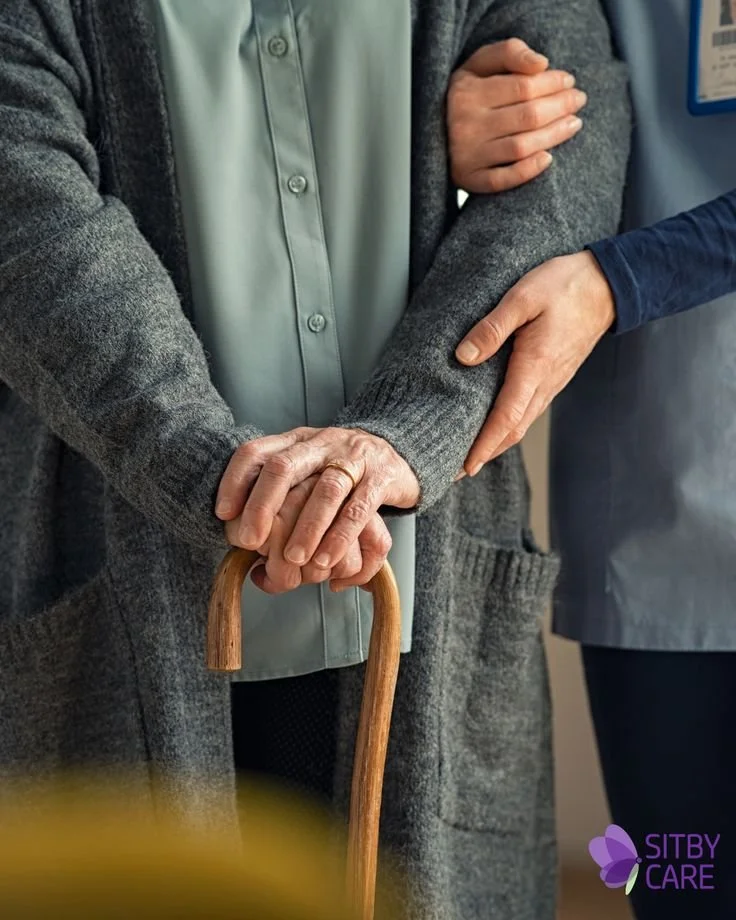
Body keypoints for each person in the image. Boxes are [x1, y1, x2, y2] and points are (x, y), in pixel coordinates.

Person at [0, 1, 629, 917]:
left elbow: (567, 164)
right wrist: (222, 472)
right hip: (127, 586)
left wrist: (400, 435)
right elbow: (28, 221)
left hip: (424, 583)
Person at [449, 2, 736, 918]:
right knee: (682, 884)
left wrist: (621, 280)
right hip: (652, 521)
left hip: (641, 433)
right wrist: (457, 134)